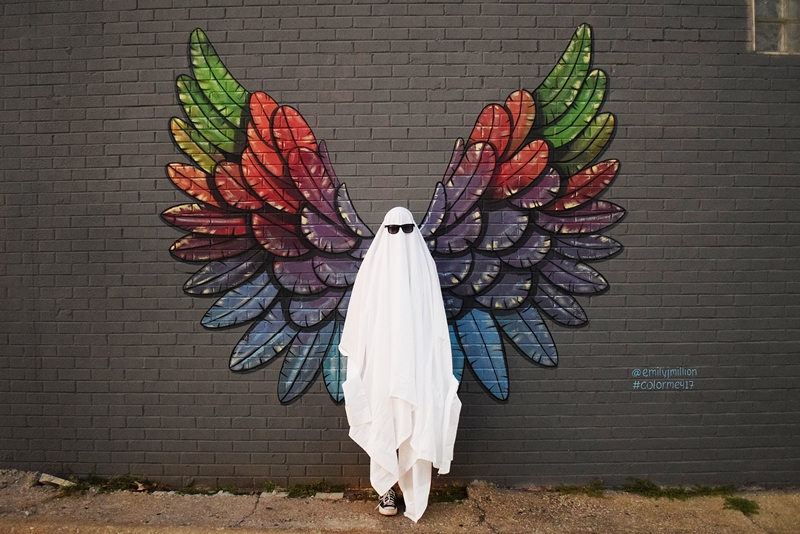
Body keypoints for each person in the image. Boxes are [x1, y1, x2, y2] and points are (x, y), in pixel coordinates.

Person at [338, 207, 462, 522]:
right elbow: (359, 319)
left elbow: (434, 320)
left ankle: (416, 492)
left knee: (417, 421)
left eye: (406, 229)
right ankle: (386, 491)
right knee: (382, 420)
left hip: (417, 364)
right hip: (380, 361)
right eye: (392, 230)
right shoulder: (374, 268)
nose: (400, 237)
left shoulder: (424, 268)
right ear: (384, 232)